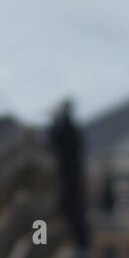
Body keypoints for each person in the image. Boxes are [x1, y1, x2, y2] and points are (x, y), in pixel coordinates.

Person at [48, 99, 90, 249]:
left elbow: (54, 140)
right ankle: (80, 243)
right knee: (73, 209)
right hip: (71, 176)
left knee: (71, 209)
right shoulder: (71, 127)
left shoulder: (66, 127)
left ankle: (80, 244)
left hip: (68, 177)